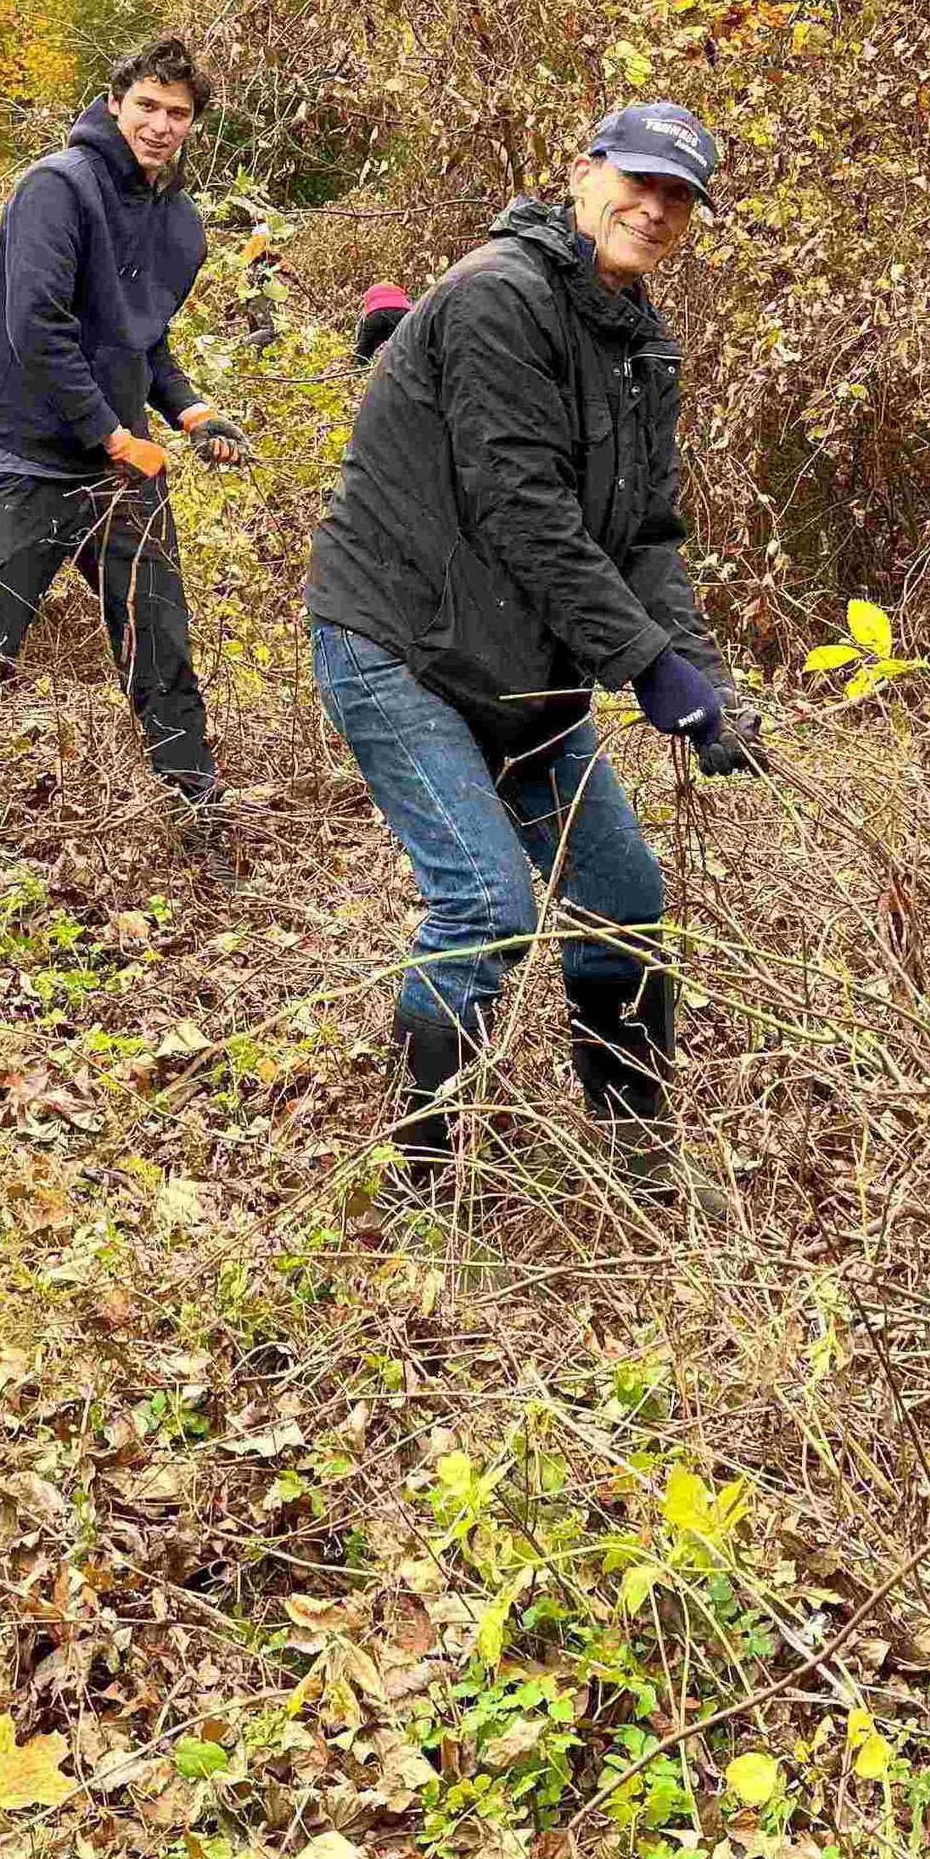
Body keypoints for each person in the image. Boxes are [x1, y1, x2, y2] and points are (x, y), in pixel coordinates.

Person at [305, 101, 766, 1209]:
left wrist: (699, 681)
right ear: (582, 174)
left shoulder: (644, 343)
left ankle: (637, 1160)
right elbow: (525, 511)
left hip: (525, 668)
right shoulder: (496, 296)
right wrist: (645, 670)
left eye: (678, 197)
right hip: (398, 644)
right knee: (487, 906)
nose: (653, 209)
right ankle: (420, 1172)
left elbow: (647, 536)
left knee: (624, 899)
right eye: (637, 181)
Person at [0, 39, 248, 865]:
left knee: (160, 642)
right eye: (148, 103)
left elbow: (146, 341)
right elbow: (37, 327)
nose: (161, 124)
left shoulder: (177, 223)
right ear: (115, 101)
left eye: (178, 112)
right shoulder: (56, 189)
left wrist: (190, 410)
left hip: (120, 463)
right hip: (25, 460)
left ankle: (200, 819)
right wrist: (112, 434)